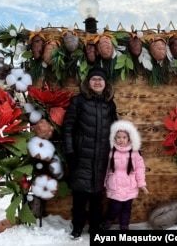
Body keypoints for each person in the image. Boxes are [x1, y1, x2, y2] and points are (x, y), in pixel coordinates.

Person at [62, 66, 117, 240]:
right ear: (88, 82)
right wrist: (70, 152)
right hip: (81, 157)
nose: (97, 82)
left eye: (100, 79)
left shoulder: (109, 104)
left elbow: (116, 129)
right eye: (94, 79)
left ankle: (95, 227)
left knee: (97, 196)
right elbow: (68, 127)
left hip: (101, 157)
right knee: (79, 195)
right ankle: (77, 226)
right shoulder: (78, 101)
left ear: (105, 83)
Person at [102, 120, 148, 230]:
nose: (121, 140)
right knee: (115, 206)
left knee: (127, 207)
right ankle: (109, 220)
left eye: (124, 137)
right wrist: (103, 182)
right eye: (118, 137)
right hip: (115, 184)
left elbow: (140, 168)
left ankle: (124, 225)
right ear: (114, 137)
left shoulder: (134, 152)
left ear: (129, 138)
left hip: (129, 185)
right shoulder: (111, 152)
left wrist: (142, 184)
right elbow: (106, 168)